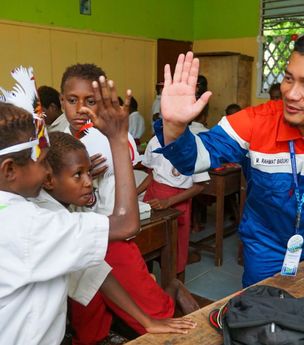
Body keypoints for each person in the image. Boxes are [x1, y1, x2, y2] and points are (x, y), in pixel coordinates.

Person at [155, 31, 304, 287]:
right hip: (264, 246)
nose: (290, 93)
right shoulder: (255, 121)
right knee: (260, 315)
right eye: (289, 79)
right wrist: (175, 126)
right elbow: (196, 159)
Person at [59, 63, 200, 344]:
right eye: (72, 100)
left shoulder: (109, 138)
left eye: (90, 101)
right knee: (87, 310)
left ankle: (172, 293)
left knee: (153, 312)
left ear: (104, 103)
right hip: (75, 237)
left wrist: (80, 176)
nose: (80, 109)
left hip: (113, 233)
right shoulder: (58, 137)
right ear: (62, 100)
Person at [0, 66, 141, 344]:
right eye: (42, 165)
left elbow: (89, 269)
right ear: (9, 171)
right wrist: (117, 137)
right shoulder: (31, 224)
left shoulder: (28, 208)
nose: (47, 175)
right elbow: (126, 223)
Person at [36, 131, 196, 340]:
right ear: (48, 180)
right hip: (31, 325)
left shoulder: (66, 211)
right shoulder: (50, 220)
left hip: (106, 242)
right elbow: (127, 225)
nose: (88, 182)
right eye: (78, 175)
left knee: (152, 311)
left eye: (89, 173)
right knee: (88, 316)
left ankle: (167, 290)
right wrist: (118, 139)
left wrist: (147, 322)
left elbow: (97, 272)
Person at [137, 135, 209, 278]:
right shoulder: (154, 141)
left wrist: (168, 201)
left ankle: (175, 291)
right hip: (152, 197)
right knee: (147, 245)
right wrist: (134, 193)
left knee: (175, 254)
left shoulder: (194, 144)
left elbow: (199, 186)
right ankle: (149, 284)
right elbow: (152, 174)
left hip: (177, 202)